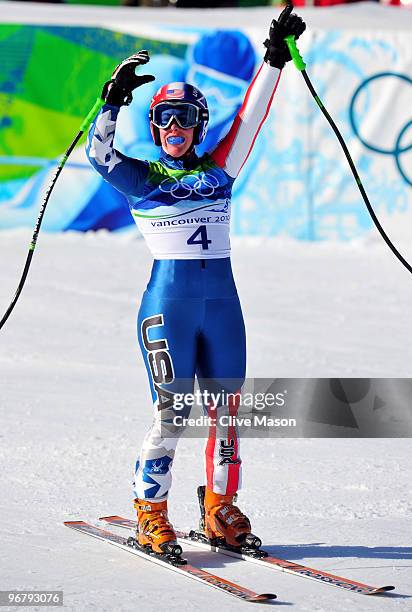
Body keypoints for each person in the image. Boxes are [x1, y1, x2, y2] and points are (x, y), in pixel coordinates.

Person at [86, 5, 305, 557]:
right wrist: (110, 103)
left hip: (222, 307)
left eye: (184, 118)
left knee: (229, 413)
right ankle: (151, 511)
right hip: (169, 306)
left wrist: (274, 59)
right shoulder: (141, 178)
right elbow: (98, 153)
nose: (173, 128)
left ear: (199, 125)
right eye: (163, 119)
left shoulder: (221, 169)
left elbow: (251, 120)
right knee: (172, 413)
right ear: (153, 126)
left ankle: (219, 508)